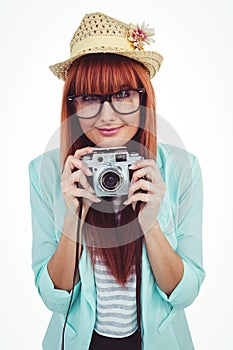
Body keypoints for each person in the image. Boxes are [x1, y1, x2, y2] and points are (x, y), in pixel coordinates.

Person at [29, 12, 205, 350]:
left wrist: (150, 224)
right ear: (73, 105)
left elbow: (184, 294)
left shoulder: (183, 168)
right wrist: (73, 217)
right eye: (91, 98)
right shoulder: (46, 172)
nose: (107, 115)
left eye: (123, 93)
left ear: (143, 98)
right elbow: (55, 301)